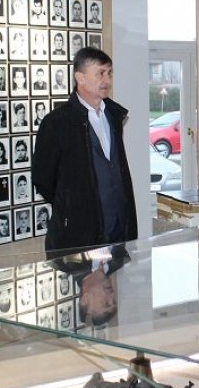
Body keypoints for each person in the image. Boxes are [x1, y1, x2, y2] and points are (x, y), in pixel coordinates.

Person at [33, 47, 137, 250]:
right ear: (80, 78)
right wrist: (71, 206)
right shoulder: (57, 122)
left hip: (118, 232)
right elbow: (42, 179)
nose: (107, 80)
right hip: (78, 237)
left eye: (109, 73)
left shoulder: (114, 116)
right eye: (100, 73)